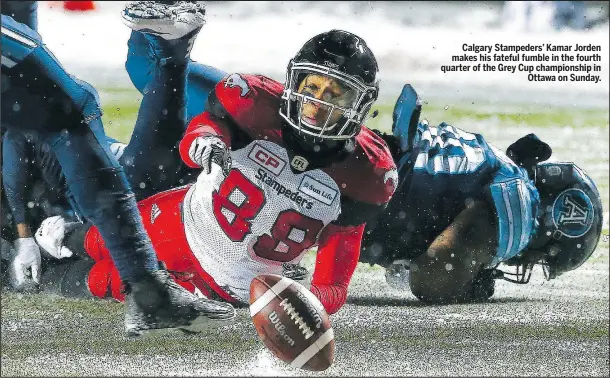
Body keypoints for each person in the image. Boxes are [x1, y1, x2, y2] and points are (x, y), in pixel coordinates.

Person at [32, 1, 397, 315]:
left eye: (336, 94)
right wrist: (205, 141)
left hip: (227, 286)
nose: (318, 103)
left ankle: (34, 278)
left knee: (102, 280)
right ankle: (49, 239)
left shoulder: (365, 177)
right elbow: (208, 125)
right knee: (97, 240)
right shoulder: (256, 107)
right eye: (313, 87)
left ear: (360, 106)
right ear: (293, 83)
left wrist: (306, 300)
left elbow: (333, 284)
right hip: (179, 218)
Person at [1, 1, 235, 335]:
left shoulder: (24, 145)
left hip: (136, 185)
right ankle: (172, 49)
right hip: (127, 201)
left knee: (221, 104)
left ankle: (171, 48)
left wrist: (27, 234)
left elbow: (42, 126)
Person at [360, 84, 604, 303]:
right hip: (363, 192)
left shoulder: (504, 170)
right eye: (542, 258)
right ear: (551, 228)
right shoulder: (521, 211)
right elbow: (430, 280)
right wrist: (465, 288)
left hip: (369, 157)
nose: (529, 263)